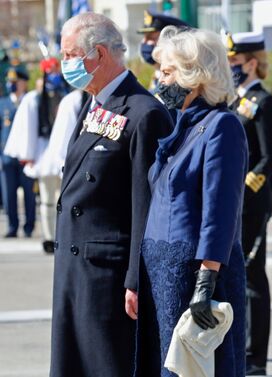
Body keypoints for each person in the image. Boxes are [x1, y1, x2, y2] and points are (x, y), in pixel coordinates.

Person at [49, 12, 172, 376]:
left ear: (98, 54)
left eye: (70, 55)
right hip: (75, 266)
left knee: (106, 365)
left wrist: (135, 279)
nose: (64, 64)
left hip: (108, 273)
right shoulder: (92, 104)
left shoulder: (144, 112)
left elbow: (144, 205)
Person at [134, 26, 247, 377]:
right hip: (163, 270)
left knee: (196, 368)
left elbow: (220, 210)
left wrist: (206, 280)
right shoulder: (182, 125)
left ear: (195, 75)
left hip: (193, 272)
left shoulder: (221, 126)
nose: (159, 80)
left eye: (167, 71)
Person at [225, 31, 272, 375]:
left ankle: (255, 357)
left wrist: (245, 187)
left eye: (235, 62)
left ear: (252, 62)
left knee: (253, 279)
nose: (231, 66)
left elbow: (270, 157)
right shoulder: (232, 101)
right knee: (235, 277)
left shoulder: (263, 101)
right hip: (230, 202)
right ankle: (238, 348)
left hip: (251, 202)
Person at [3, 57, 70, 253]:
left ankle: (62, 235)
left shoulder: (68, 96)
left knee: (62, 199)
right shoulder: (34, 98)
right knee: (48, 200)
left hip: (63, 153)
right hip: (44, 153)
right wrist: (28, 154)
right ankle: (49, 237)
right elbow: (28, 128)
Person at [0, 67, 36, 238]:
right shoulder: (2, 103)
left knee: (29, 193)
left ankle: (29, 226)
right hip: (7, 158)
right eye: (10, 82)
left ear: (23, 83)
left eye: (15, 82)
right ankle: (12, 227)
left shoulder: (31, 101)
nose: (11, 85)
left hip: (26, 156)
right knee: (8, 195)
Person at [137, 10, 190, 92]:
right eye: (144, 37)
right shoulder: (156, 75)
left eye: (151, 38)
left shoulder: (181, 83)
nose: (144, 42)